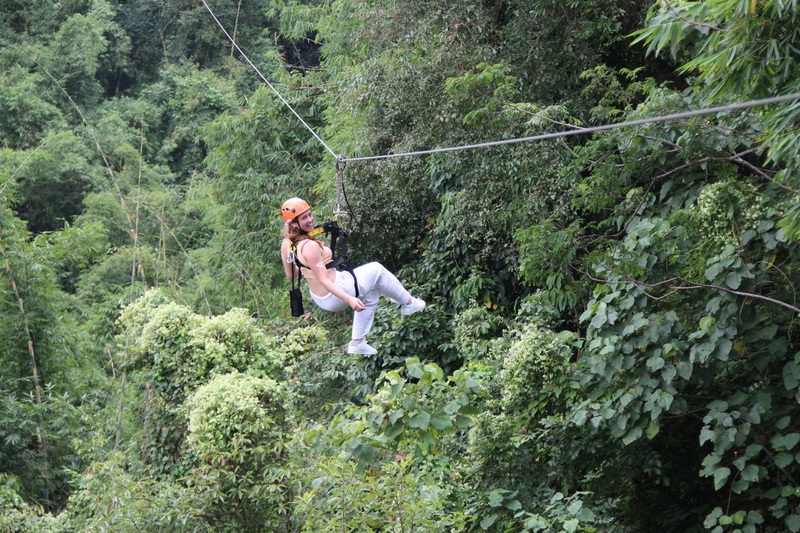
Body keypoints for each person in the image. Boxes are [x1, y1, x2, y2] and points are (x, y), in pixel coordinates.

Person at [280, 197, 425, 355]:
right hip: (334, 292)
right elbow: (323, 279)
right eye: (304, 217)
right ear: (293, 223)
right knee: (377, 270)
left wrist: (302, 262)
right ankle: (409, 303)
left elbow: (291, 275)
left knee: (371, 292)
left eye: (309, 214)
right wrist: (349, 299)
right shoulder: (309, 247)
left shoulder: (288, 243)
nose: (310, 219)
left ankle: (357, 342)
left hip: (319, 296)